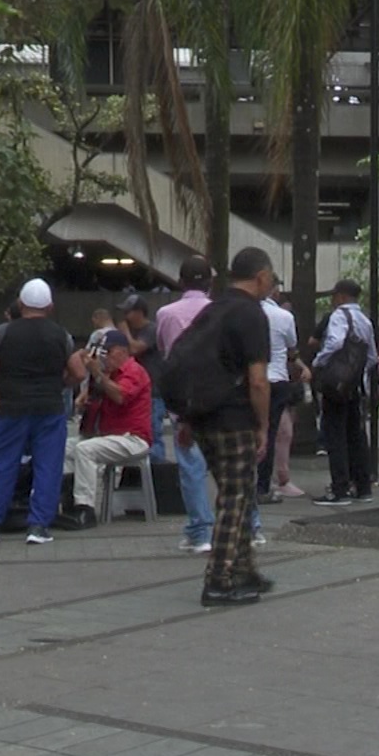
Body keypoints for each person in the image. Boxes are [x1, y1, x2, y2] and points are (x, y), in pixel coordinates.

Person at [180, 248, 275, 605]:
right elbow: (258, 380)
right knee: (235, 498)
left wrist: (187, 418)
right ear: (261, 276)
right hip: (233, 417)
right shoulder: (251, 314)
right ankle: (219, 577)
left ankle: (244, 567)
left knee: (238, 491)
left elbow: (196, 364)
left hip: (202, 414)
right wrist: (262, 423)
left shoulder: (213, 310)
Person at [0, 278, 82, 546]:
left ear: (21, 303)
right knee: (48, 465)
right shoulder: (61, 335)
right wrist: (59, 383)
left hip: (12, 407)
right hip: (50, 407)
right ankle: (39, 526)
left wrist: (0, 382)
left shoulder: (3, 333)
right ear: (50, 307)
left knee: (1, 463)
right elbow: (78, 372)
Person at [156, 257, 217, 550]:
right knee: (230, 463)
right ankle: (251, 525)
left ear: (181, 281)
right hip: (218, 395)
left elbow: (165, 352)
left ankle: (200, 531)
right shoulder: (220, 312)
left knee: (191, 464)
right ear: (210, 282)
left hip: (182, 396)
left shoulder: (166, 314)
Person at [65, 330, 151, 524]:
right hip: (108, 435)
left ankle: (85, 507)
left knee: (85, 450)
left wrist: (97, 373)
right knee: (62, 448)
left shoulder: (133, 371)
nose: (105, 357)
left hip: (132, 437)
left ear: (122, 351)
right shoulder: (108, 374)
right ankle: (66, 499)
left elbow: (120, 396)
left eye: (108, 352)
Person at [311, 279, 377, 506]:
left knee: (335, 434)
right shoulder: (365, 320)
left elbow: (335, 342)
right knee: (356, 434)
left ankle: (340, 488)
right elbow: (371, 357)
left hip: (336, 385)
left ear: (340, 296)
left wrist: (320, 362)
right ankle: (362, 485)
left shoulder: (339, 316)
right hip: (355, 385)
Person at [258, 292, 301, 501]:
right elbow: (292, 346)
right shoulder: (284, 316)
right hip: (277, 379)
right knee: (271, 432)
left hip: (250, 379)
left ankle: (246, 482)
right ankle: (263, 485)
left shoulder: (241, 312)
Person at [118, 295, 166, 463]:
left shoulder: (151, 330)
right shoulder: (132, 332)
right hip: (134, 389)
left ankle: (157, 469)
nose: (125, 317)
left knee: (153, 432)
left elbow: (135, 349)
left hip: (152, 391)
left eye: (128, 312)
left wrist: (124, 332)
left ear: (139, 312)